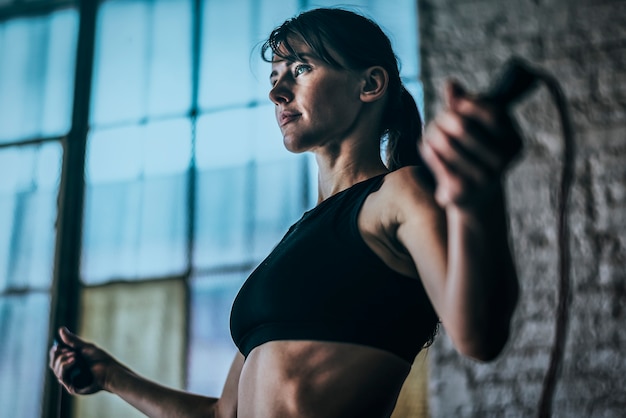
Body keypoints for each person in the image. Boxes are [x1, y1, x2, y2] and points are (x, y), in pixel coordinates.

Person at [50, 7, 520, 418]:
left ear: (370, 84)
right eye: (275, 78)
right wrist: (112, 376)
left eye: (300, 69)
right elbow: (222, 414)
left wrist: (477, 194)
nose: (278, 94)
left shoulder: (398, 193)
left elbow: (479, 336)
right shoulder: (298, 240)